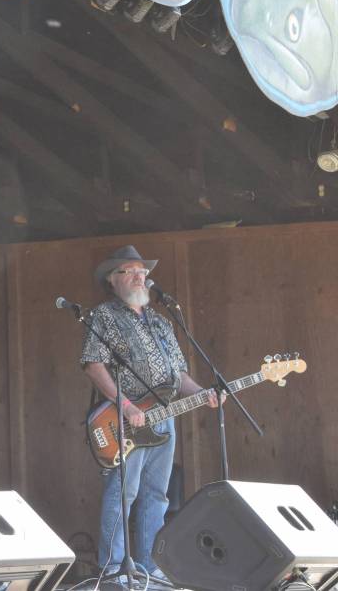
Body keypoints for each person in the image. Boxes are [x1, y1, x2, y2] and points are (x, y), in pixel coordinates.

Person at [81, 245, 224, 588]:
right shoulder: (104, 316)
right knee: (124, 492)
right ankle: (113, 568)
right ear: (113, 279)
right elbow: (93, 364)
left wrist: (202, 393)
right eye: (130, 271)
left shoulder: (161, 321)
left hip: (163, 416)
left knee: (157, 494)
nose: (139, 276)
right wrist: (126, 406)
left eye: (142, 271)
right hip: (126, 418)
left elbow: (178, 374)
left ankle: (147, 565)